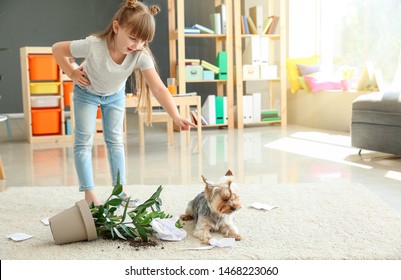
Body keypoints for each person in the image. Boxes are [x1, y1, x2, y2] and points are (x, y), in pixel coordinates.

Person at [52, 0, 196, 206]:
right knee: (83, 142)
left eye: (143, 41)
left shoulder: (139, 55)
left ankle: (119, 191)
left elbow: (158, 88)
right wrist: (72, 72)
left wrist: (175, 115)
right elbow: (57, 49)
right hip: (86, 93)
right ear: (116, 27)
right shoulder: (93, 45)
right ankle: (89, 194)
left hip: (114, 95)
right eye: (133, 38)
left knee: (115, 141)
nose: (136, 45)